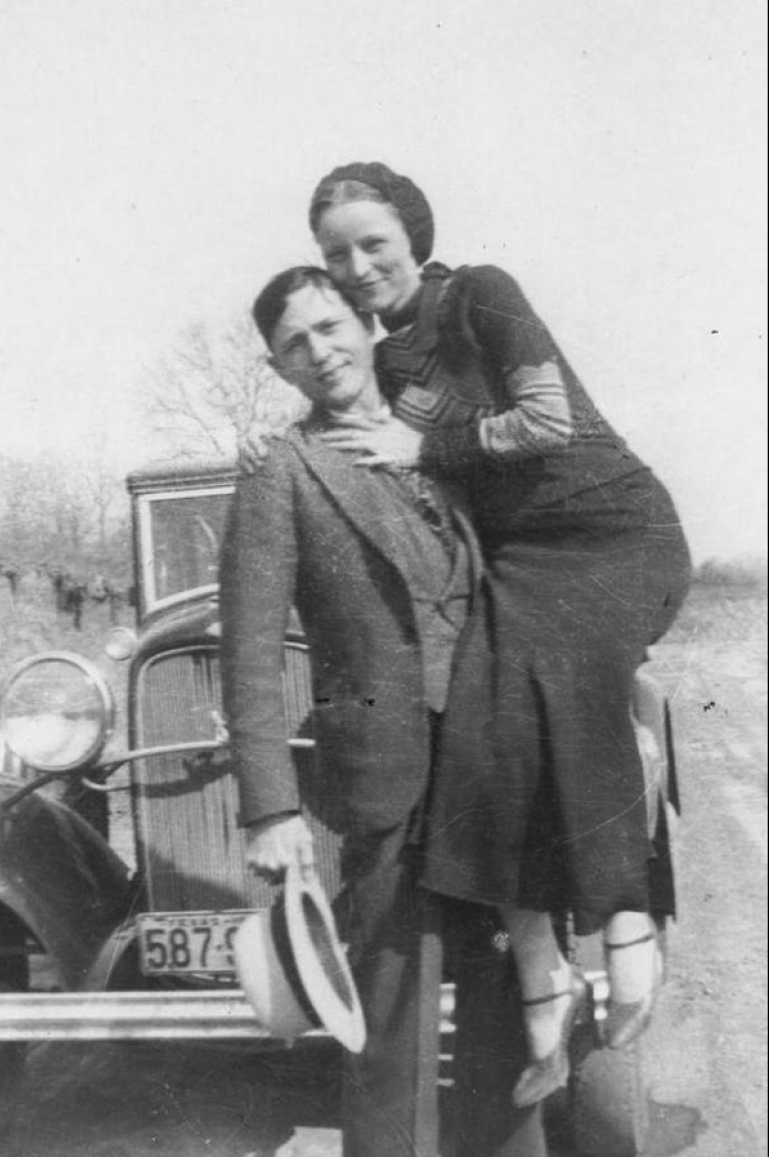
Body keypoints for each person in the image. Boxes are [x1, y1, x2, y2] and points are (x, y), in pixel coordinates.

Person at [299, 161, 693, 1106]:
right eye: (335, 254)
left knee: (563, 677)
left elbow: (547, 420)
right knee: (476, 732)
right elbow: (348, 431)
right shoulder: (385, 359)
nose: (356, 267)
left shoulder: (483, 293)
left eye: (372, 244)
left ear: (412, 237)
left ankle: (627, 931)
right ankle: (540, 971)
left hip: (612, 532)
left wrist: (425, 445)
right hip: (514, 562)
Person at [220, 265, 550, 1157]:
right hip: (386, 775)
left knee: (504, 1002)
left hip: (487, 761)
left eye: (330, 327)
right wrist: (272, 804)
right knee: (391, 1015)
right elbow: (248, 646)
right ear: (278, 366)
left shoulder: (442, 435)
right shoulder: (279, 471)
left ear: (367, 326)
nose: (319, 351)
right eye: (295, 343)